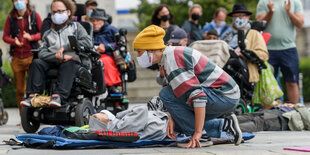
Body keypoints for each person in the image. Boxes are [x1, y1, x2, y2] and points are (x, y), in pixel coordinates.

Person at [133, 25, 242, 148]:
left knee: (165, 94)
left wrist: (197, 133)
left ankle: (202, 137)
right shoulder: (168, 57)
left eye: (139, 51)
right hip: (223, 95)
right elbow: (179, 93)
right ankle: (225, 125)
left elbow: (197, 97)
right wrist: (173, 117)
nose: (137, 56)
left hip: (224, 95)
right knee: (179, 123)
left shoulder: (172, 59)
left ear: (150, 49)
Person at [20, 0, 92, 107]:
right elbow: (42, 53)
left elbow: (88, 43)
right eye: (54, 12)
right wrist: (57, 56)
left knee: (68, 64)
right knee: (36, 63)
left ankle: (58, 96)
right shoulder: (48, 33)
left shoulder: (76, 27)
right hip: (54, 61)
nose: (56, 15)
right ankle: (32, 96)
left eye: (60, 11)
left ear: (68, 12)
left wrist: (66, 47)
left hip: (73, 62)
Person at [256, 0, 304, 104]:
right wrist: (270, 12)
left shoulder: (295, 2)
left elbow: (300, 23)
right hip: (267, 49)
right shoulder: (264, 2)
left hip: (289, 49)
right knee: (267, 83)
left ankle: (296, 112)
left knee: (292, 82)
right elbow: (259, 25)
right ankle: (268, 115)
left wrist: (289, 12)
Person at [3, 0, 42, 116]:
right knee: (20, 90)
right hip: (17, 57)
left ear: (27, 1)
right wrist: (13, 41)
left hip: (32, 56)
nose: (18, 2)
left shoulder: (34, 15)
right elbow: (5, 36)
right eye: (15, 0)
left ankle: (37, 114)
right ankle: (23, 117)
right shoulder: (10, 18)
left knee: (35, 88)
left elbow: (43, 33)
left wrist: (32, 37)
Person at [222, 4, 269, 83]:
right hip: (224, 66)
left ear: (248, 18)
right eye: (235, 16)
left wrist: (242, 54)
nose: (238, 19)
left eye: (241, 16)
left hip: (244, 70)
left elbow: (263, 55)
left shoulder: (254, 34)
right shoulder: (227, 34)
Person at [90, 8, 121, 93]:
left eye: (98, 20)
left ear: (104, 20)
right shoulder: (89, 31)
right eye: (93, 20)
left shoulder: (112, 30)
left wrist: (106, 46)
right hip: (91, 55)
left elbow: (119, 43)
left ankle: (110, 86)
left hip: (107, 55)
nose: (95, 23)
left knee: (104, 62)